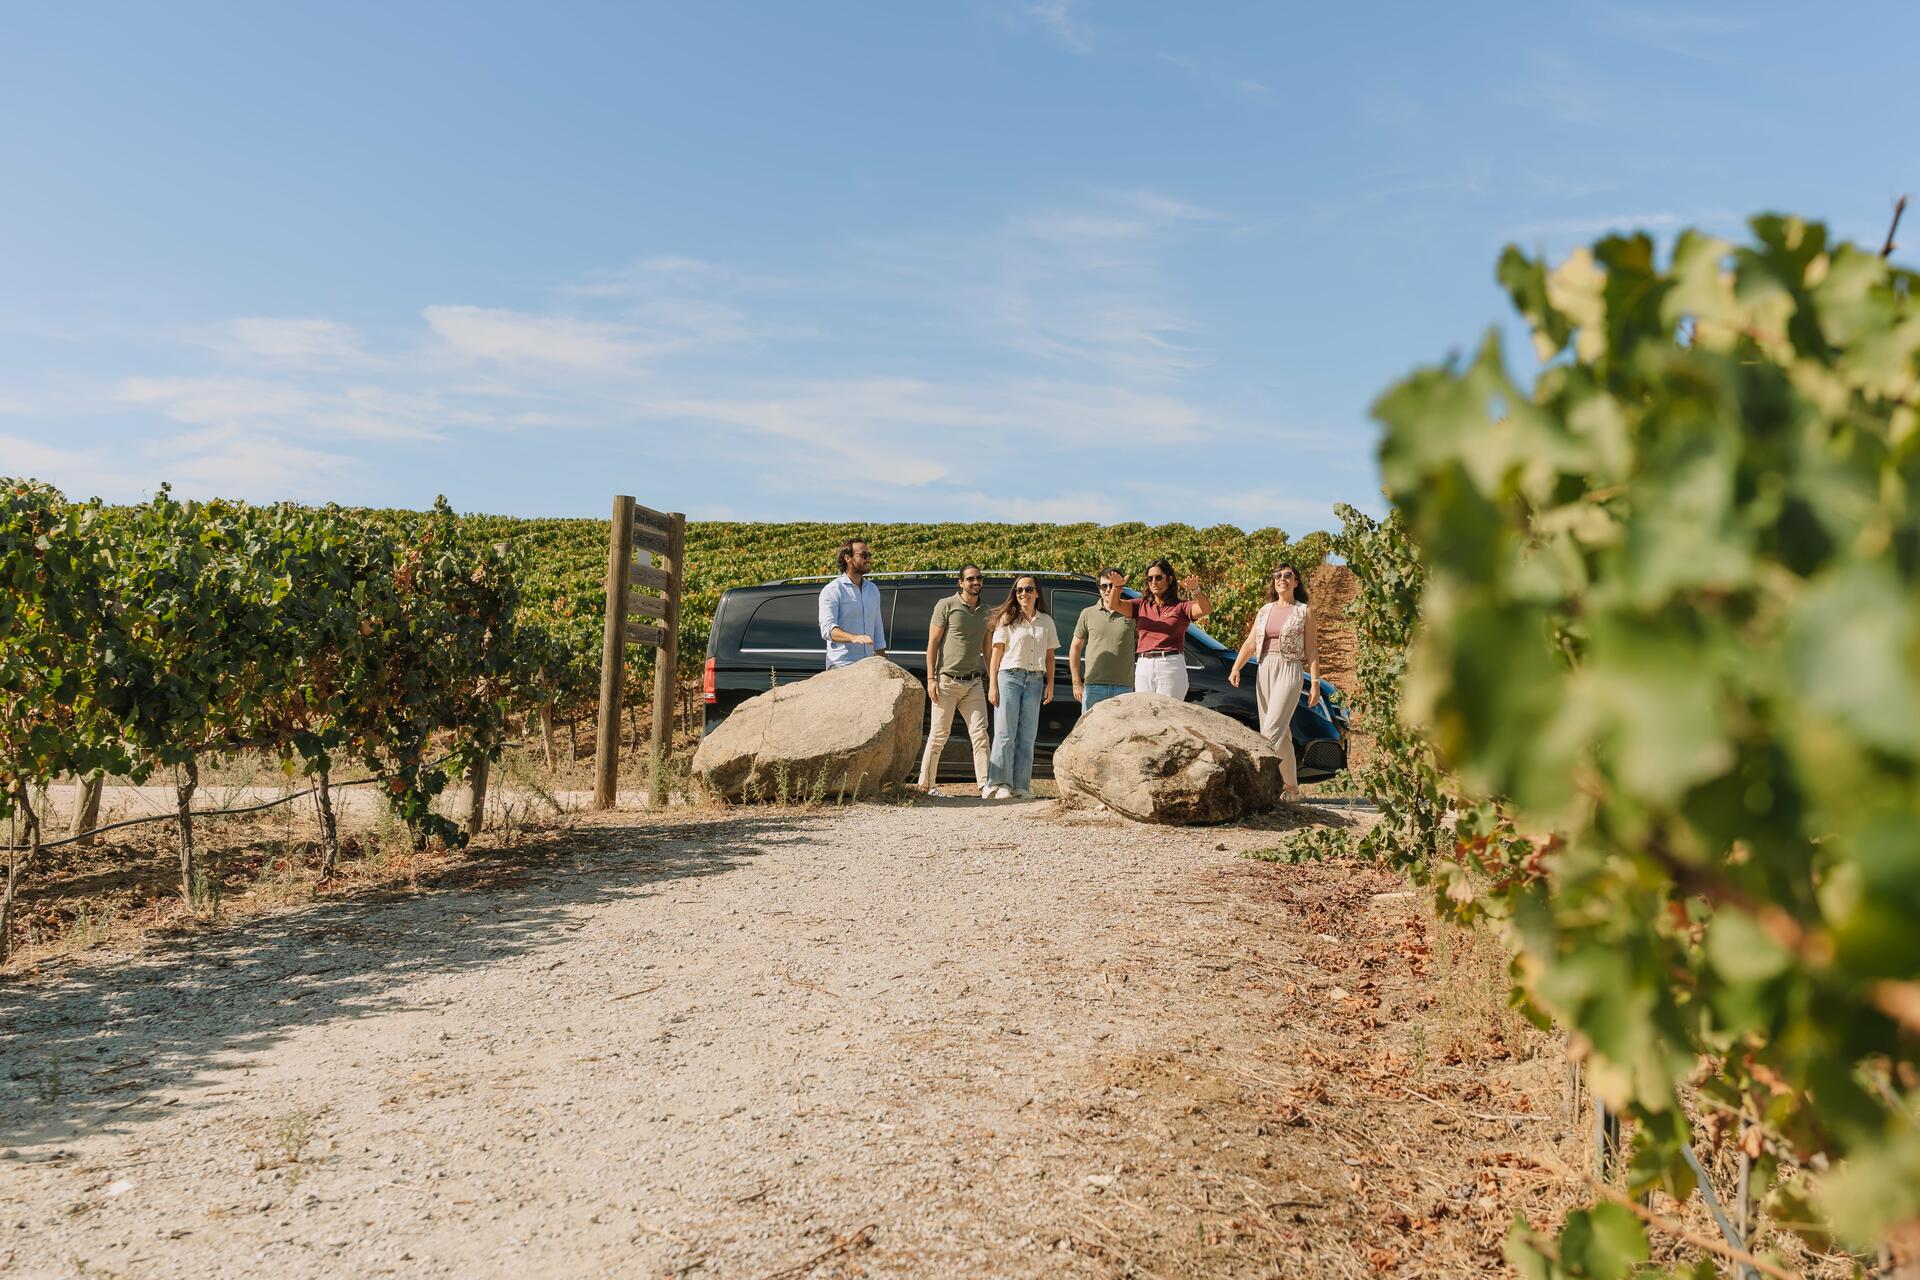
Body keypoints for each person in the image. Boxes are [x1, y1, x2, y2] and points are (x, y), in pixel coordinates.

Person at [1228, 563, 1319, 800]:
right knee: (1283, 734)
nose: (1282, 579)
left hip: (1290, 669)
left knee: (1270, 732)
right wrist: (1236, 667)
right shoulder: (1265, 610)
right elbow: (1250, 643)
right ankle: (1291, 789)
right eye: (1278, 576)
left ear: (1296, 582)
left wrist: (1316, 683)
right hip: (1265, 668)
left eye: (1288, 576)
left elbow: (1312, 651)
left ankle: (1254, 787)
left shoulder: (1304, 611)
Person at [918, 565, 993, 798]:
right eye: (970, 579)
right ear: (961, 583)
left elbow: (987, 649)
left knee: (981, 734)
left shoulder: (986, 611)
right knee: (939, 734)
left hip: (973, 682)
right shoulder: (946, 605)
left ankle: (985, 786)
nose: (975, 582)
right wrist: (931, 678)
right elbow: (932, 643)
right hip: (946, 681)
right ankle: (926, 786)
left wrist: (993, 681)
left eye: (979, 578)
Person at [984, 575, 1057, 799]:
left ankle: (1021, 786)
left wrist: (1050, 684)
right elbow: (996, 653)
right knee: (1005, 733)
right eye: (1019, 590)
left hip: (1035, 680)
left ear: (1037, 593)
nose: (1023, 594)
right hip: (1009, 678)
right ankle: (998, 783)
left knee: (1027, 735)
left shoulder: (1046, 621)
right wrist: (992, 684)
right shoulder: (1007, 618)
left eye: (1028, 589)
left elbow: (1050, 655)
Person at [1132, 558, 1211, 701]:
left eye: (1158, 577)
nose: (1154, 582)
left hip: (1170, 664)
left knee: (1169, 715)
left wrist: (1196, 590)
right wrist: (1116, 587)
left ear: (1169, 579)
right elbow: (1114, 605)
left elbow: (1206, 609)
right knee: (1144, 714)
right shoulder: (1141, 604)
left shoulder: (1181, 606)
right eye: (1150, 578)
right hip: (1144, 664)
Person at [1069, 566, 1136, 714]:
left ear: (1121, 586)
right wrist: (1076, 683)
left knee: (1122, 735)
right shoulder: (1087, 613)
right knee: (1090, 735)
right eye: (1103, 586)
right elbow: (1075, 648)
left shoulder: (1132, 613)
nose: (1107, 589)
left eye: (1112, 585)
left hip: (1124, 688)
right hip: (1093, 687)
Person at [817, 538, 886, 668]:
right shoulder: (832, 590)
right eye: (863, 555)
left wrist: (884, 664)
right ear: (848, 558)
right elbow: (827, 630)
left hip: (868, 667)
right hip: (841, 666)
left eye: (869, 555)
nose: (868, 559)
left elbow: (878, 631)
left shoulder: (873, 589)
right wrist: (853, 637)